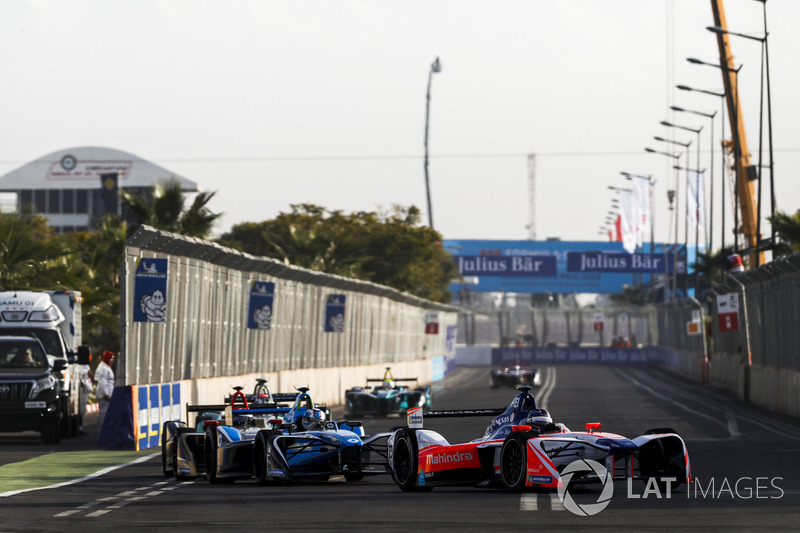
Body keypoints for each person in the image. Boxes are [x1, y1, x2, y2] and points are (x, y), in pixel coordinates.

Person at [95, 351, 115, 432]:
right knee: (103, 413)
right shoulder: (103, 368)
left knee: (106, 413)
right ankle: (102, 431)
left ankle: (104, 431)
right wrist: (106, 394)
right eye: (110, 358)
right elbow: (102, 382)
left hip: (108, 393)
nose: (111, 360)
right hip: (104, 395)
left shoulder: (106, 367)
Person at [76, 344, 93, 434]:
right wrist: (87, 372)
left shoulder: (86, 363)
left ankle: (80, 426)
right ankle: (79, 426)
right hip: (80, 387)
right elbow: (80, 372)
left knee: (83, 408)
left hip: (85, 387)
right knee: (80, 407)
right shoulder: (79, 362)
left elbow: (90, 373)